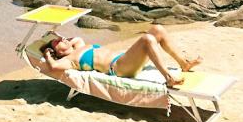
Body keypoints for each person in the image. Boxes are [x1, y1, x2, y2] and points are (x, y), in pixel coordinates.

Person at [29, 25, 202, 87]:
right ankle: (168, 77)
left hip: (125, 58)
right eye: (59, 40)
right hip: (119, 68)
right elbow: (52, 67)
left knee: (157, 29)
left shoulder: (79, 45)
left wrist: (52, 35)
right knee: (148, 38)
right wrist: (46, 52)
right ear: (57, 51)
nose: (63, 38)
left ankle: (183, 64)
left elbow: (75, 39)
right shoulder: (69, 60)